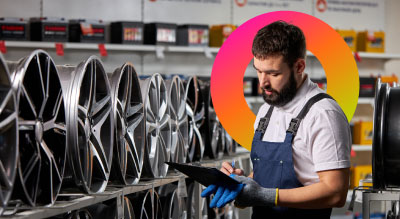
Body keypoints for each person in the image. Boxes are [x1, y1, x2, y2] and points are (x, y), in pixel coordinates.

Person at [201, 21, 351, 218]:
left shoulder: (323, 114)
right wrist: (242, 185)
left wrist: (263, 195)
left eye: (273, 73)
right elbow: (267, 177)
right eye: (258, 70)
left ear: (299, 66)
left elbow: (335, 193)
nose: (263, 82)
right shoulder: (266, 111)